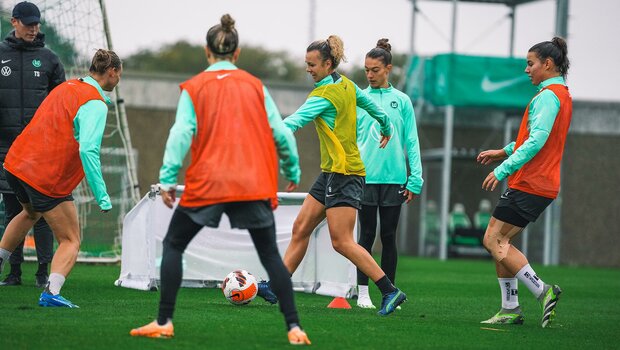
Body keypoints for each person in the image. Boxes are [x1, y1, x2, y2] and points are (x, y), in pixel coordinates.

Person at [129, 15, 310, 345]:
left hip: (209, 182)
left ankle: (164, 322)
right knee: (270, 256)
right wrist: (292, 170)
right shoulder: (256, 86)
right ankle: (294, 328)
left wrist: (168, 179)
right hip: (252, 183)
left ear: (206, 52)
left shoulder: (195, 87)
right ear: (237, 53)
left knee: (173, 245)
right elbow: (281, 133)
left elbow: (181, 133)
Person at [260, 35, 407, 316]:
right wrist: (387, 127)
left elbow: (295, 121)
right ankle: (277, 286)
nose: (308, 69)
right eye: (306, 64)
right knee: (301, 228)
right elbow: (376, 110)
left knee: (342, 241)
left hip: (345, 173)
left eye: (312, 64)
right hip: (331, 173)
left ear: (328, 64)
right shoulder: (348, 86)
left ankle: (389, 290)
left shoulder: (323, 95)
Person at [0, 49, 120, 308]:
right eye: (119, 74)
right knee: (71, 239)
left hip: (16, 164)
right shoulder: (95, 103)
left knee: (28, 214)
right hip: (44, 177)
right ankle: (51, 293)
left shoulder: (67, 86)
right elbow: (88, 149)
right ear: (112, 72)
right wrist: (102, 195)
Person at [476, 37, 571, 328]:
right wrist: (504, 151)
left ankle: (543, 291)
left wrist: (503, 168)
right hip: (538, 182)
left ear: (548, 64)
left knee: (493, 239)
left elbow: (537, 141)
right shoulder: (561, 94)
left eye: (530, 64)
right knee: (500, 242)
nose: (527, 69)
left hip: (531, 181)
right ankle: (510, 309)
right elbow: (533, 138)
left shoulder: (548, 96)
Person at [0, 1, 65, 288]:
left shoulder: (50, 60)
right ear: (14, 22)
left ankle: (42, 274)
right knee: (13, 210)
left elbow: (62, 105)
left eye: (36, 24)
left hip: (41, 152)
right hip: (6, 150)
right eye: (28, 24)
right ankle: (13, 273)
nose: (33, 28)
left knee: (41, 213)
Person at [354, 38, 423, 309]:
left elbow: (412, 141)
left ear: (388, 69)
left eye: (375, 70)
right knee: (366, 236)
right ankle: (361, 293)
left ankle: (389, 294)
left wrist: (415, 179)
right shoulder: (359, 98)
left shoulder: (402, 101)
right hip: (364, 178)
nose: (369, 75)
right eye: (366, 70)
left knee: (389, 237)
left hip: (395, 178)